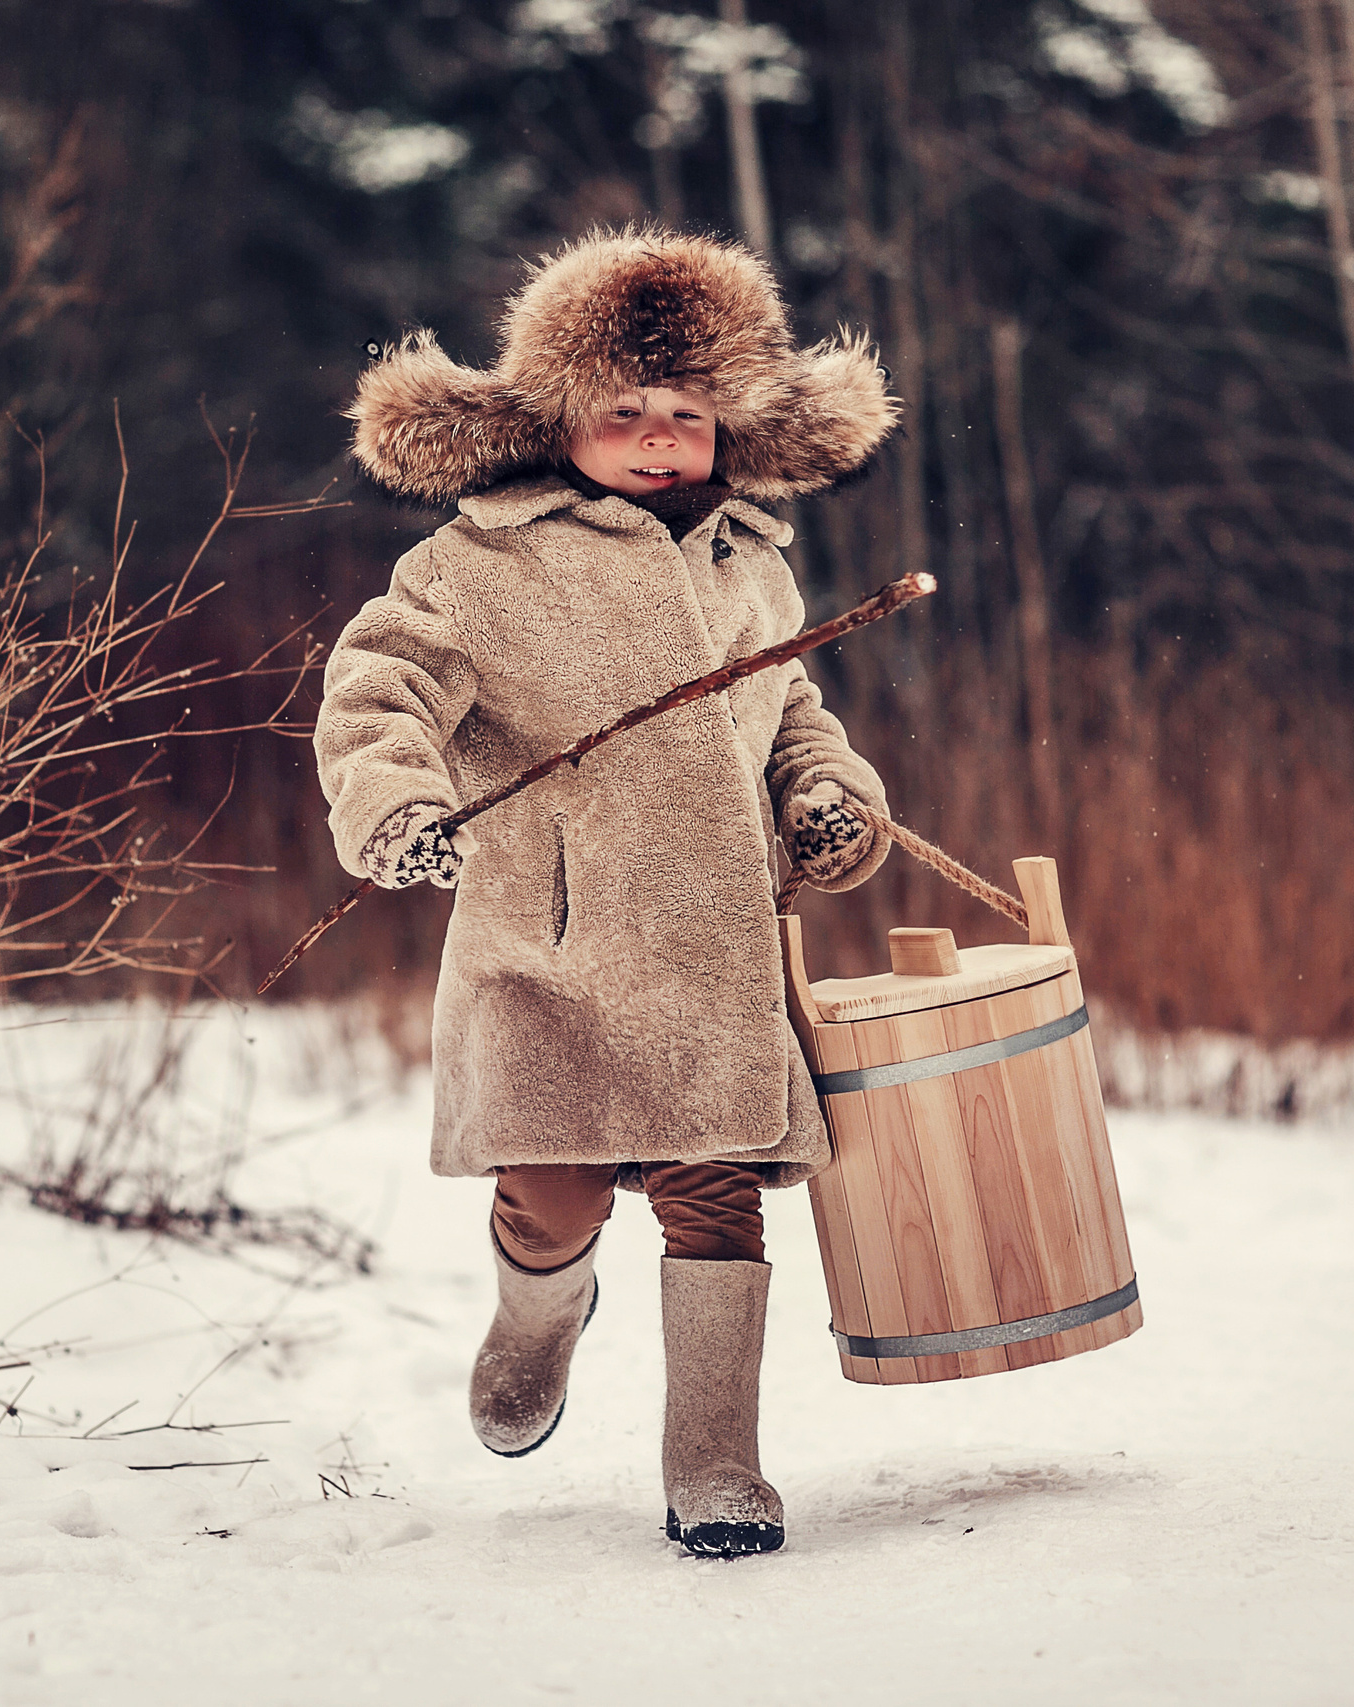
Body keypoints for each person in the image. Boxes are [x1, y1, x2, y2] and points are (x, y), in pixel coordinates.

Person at [315, 226, 898, 1557]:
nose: (656, 439)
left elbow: (789, 706)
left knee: (717, 1196)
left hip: (709, 951)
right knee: (554, 1188)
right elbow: (379, 688)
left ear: (726, 425)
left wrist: (827, 795)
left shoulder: (750, 557)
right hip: (549, 949)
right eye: (624, 411)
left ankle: (717, 1467)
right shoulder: (480, 561)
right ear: (559, 415)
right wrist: (399, 802)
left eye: (686, 415)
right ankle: (540, 1308)